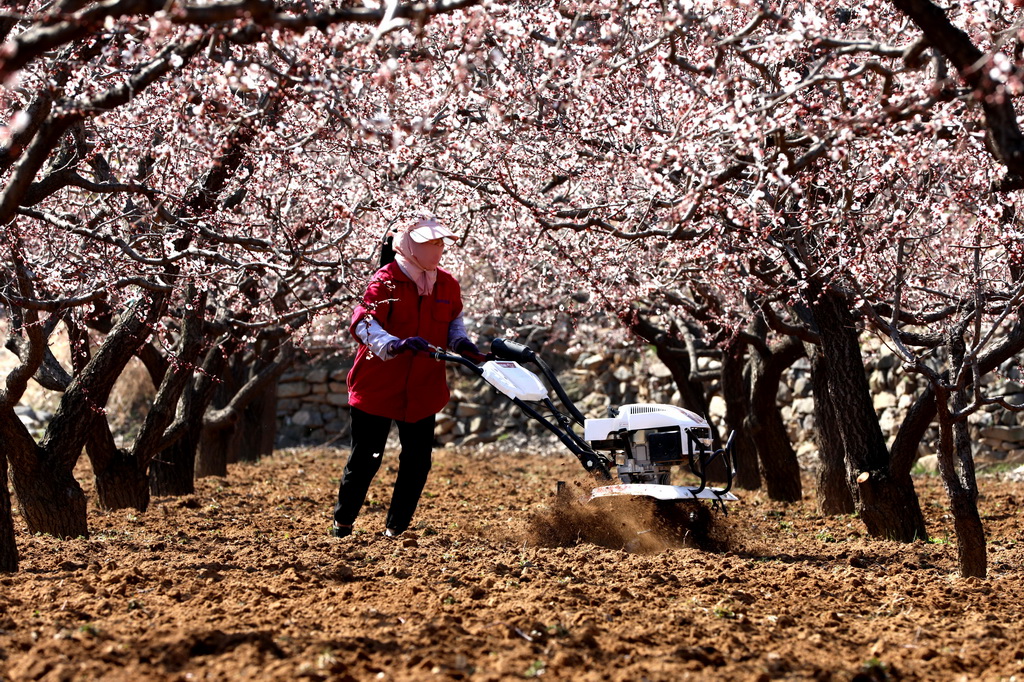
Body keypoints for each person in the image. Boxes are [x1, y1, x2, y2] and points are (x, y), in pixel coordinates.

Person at [331, 216, 485, 539]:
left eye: (440, 243)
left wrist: (461, 343)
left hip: (423, 388)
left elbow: (454, 321)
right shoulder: (386, 281)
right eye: (431, 243)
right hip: (378, 386)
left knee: (417, 462)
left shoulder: (446, 284)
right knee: (366, 458)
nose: (439, 248)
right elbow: (363, 322)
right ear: (410, 245)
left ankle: (396, 530)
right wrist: (394, 344)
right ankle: (343, 524)